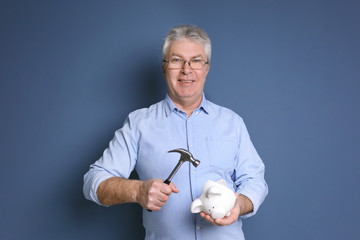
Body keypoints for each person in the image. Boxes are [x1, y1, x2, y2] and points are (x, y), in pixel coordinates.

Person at [83, 24, 268, 240]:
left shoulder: (232, 122)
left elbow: (255, 180)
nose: (186, 70)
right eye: (176, 60)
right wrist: (137, 190)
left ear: (206, 68)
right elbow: (93, 182)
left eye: (196, 61)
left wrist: (239, 204)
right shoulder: (138, 124)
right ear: (164, 68)